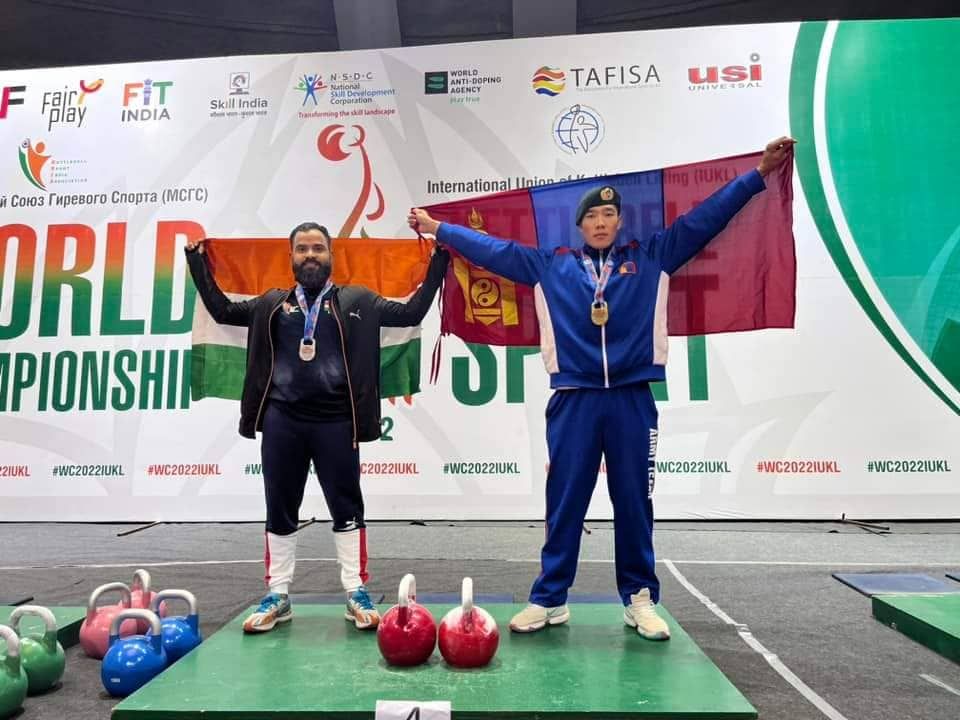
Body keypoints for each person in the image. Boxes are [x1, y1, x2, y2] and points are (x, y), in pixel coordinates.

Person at [409, 137, 795, 640]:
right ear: (580, 225)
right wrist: (438, 228)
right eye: (591, 216)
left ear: (619, 222)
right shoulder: (550, 266)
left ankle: (640, 599)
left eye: (608, 215)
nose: (599, 223)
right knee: (565, 501)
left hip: (632, 397)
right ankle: (550, 598)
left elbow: (705, 219)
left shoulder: (653, 256)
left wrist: (758, 174)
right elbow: (494, 250)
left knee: (633, 501)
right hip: (574, 399)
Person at [185, 223, 449, 633]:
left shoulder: (358, 300)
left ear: (331, 256)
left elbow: (411, 313)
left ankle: (355, 591)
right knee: (280, 506)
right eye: (303, 249)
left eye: (318, 248)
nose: (310, 255)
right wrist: (197, 261)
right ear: (291, 257)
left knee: (347, 506)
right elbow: (222, 311)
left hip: (337, 421)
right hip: (282, 420)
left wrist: (440, 261)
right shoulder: (271, 303)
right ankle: (278, 594)